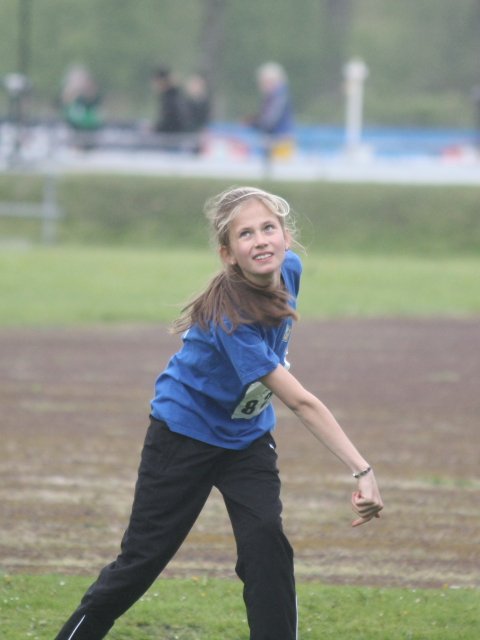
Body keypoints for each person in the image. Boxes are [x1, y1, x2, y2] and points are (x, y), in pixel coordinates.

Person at [53, 186, 383, 640]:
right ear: (228, 254)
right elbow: (301, 402)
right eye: (246, 234)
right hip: (183, 435)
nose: (261, 240)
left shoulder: (290, 268)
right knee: (142, 561)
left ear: (286, 236)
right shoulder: (230, 316)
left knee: (266, 544)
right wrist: (362, 470)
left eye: (268, 228)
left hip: (246, 435)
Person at [248, 62, 295, 161]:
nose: (262, 85)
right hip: (275, 141)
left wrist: (254, 123)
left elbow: (270, 120)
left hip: (280, 142)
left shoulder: (279, 96)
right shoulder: (274, 96)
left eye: (264, 82)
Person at [150, 65, 187, 149]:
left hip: (173, 142)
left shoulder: (171, 99)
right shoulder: (173, 96)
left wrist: (154, 129)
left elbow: (170, 123)